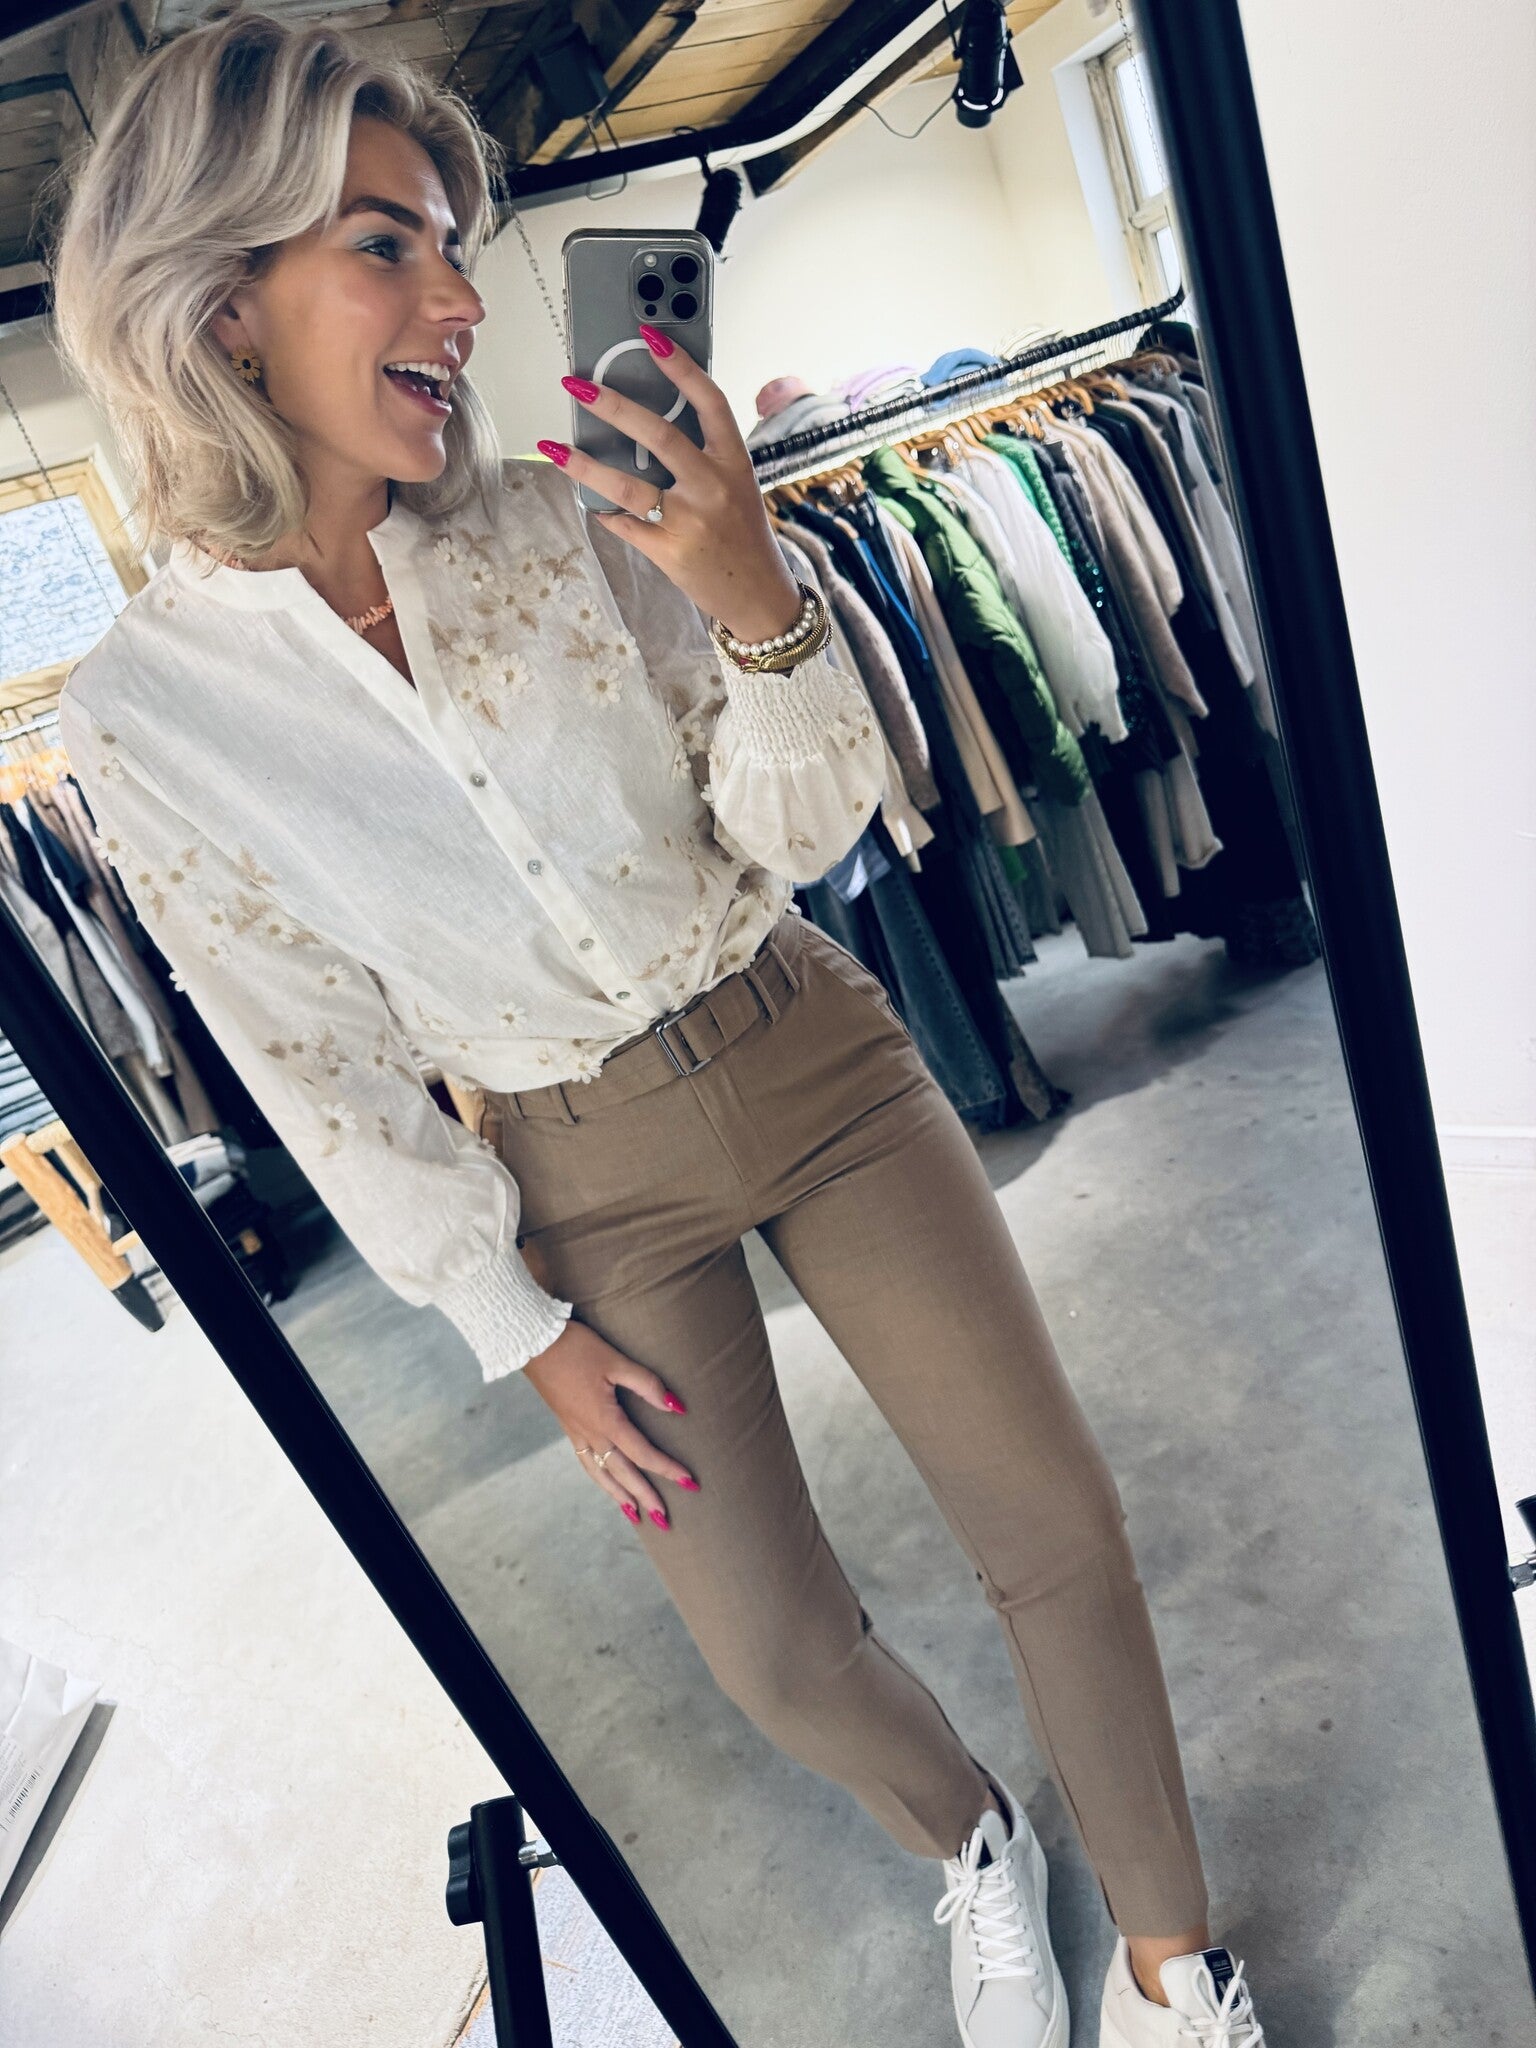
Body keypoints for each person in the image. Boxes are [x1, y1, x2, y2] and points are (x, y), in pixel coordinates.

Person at [48, 15, 1266, 2046]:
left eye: (452, 246)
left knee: (1053, 1524)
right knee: (771, 1648)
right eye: (386, 247)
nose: (460, 300)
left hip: (807, 1049)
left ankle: (1169, 1952)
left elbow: (801, 830)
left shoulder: (559, 521)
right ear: (221, 301)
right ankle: (972, 1834)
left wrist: (758, 595)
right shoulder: (148, 720)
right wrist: (515, 1326)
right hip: (576, 1171)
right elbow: (312, 1064)